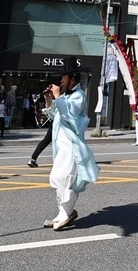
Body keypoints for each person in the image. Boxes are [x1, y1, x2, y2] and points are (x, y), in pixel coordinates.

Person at [42, 63, 98, 231]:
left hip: (71, 145)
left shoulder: (79, 95)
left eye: (63, 77)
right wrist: (49, 100)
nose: (60, 80)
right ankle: (63, 212)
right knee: (57, 177)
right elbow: (56, 116)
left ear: (72, 78)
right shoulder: (65, 96)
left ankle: (68, 212)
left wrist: (59, 97)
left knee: (66, 177)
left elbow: (69, 114)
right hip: (61, 144)